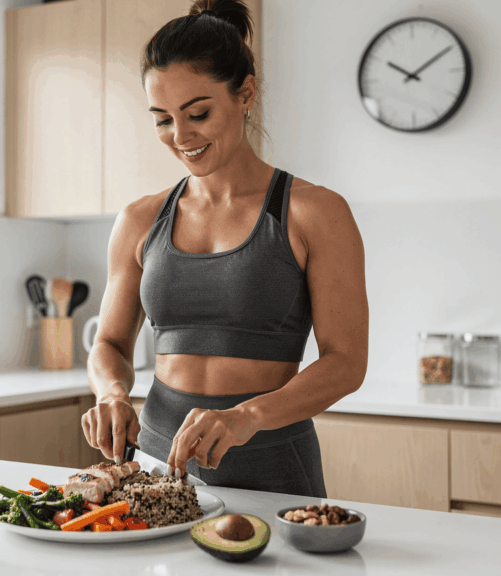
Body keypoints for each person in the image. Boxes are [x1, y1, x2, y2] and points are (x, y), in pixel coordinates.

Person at [81, 0, 368, 497]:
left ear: (246, 94)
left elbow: (346, 362)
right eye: (162, 119)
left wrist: (246, 416)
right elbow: (108, 343)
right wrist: (112, 393)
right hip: (157, 471)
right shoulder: (139, 220)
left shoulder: (315, 213)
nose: (180, 136)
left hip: (273, 474)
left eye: (198, 113)